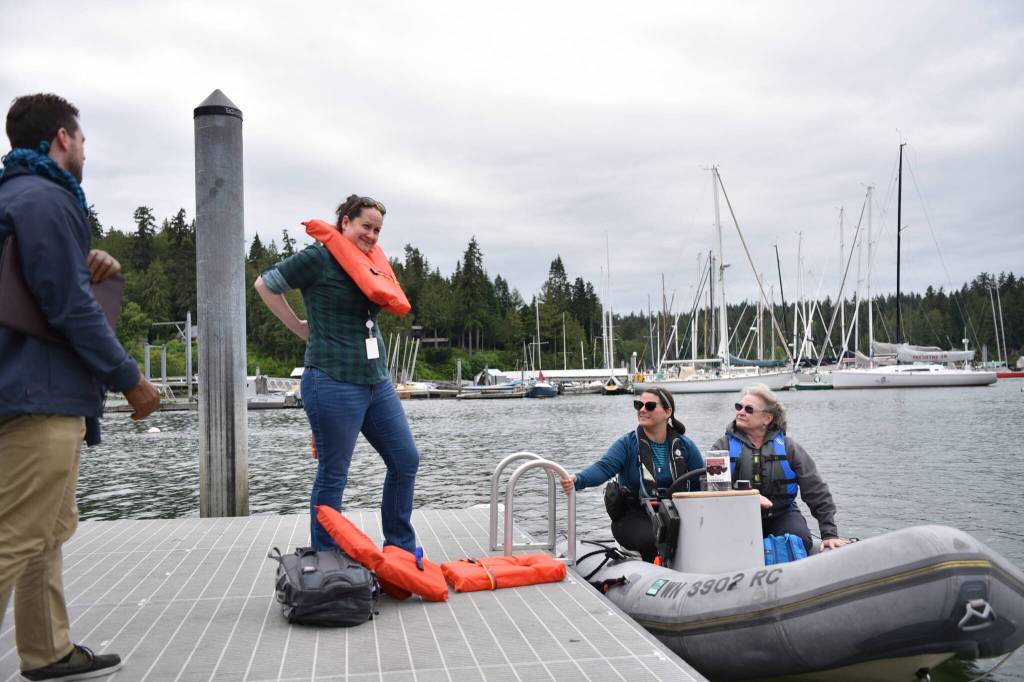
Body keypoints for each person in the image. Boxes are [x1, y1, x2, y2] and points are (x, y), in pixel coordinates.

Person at [0, 93, 160, 681]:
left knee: (42, 529)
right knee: (15, 534)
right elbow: (66, 305)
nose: (86, 149)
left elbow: (39, 284)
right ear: (63, 139)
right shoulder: (47, 197)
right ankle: (46, 650)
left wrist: (100, 265)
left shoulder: (15, 196)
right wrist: (129, 379)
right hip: (37, 394)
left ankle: (47, 651)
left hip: (23, 388)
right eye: (84, 139)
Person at [254, 194, 419, 554]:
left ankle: (401, 549)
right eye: (366, 226)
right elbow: (265, 284)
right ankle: (326, 559)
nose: (372, 236)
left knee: (406, 460)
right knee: (334, 474)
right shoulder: (319, 257)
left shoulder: (371, 263)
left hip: (376, 382)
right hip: (331, 380)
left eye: (377, 230)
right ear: (345, 222)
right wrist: (299, 327)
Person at [560, 387, 704, 562]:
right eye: (639, 405)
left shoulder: (685, 446)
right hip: (634, 515)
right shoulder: (627, 444)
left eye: (650, 406)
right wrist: (578, 480)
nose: (642, 410)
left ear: (667, 412)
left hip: (676, 515)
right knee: (653, 538)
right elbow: (604, 468)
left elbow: (700, 482)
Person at [712, 383, 848, 554]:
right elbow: (713, 491)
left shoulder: (789, 447)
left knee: (799, 539)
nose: (740, 412)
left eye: (749, 409)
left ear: (767, 418)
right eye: (739, 407)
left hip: (782, 515)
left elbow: (816, 490)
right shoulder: (721, 447)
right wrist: (748, 496)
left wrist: (829, 533)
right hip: (737, 518)